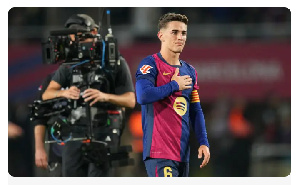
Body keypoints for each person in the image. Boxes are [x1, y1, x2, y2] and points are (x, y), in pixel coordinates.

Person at [42, 14, 135, 177]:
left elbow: (130, 100)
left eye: (81, 36)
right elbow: (47, 95)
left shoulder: (114, 62)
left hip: (104, 130)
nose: (76, 42)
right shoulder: (68, 66)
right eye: (72, 37)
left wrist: (104, 96)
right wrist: (64, 92)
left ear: (93, 33)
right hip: (74, 131)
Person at [135, 13, 210, 177]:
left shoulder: (190, 71)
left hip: (183, 154)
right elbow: (142, 96)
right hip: (159, 152)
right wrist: (175, 85)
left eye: (183, 33)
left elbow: (196, 110)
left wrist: (204, 142)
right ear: (161, 35)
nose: (180, 37)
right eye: (174, 32)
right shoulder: (150, 64)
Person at [34, 73, 63, 177]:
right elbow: (39, 117)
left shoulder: (95, 76)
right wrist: (39, 148)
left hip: (91, 152)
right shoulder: (52, 79)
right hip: (58, 154)